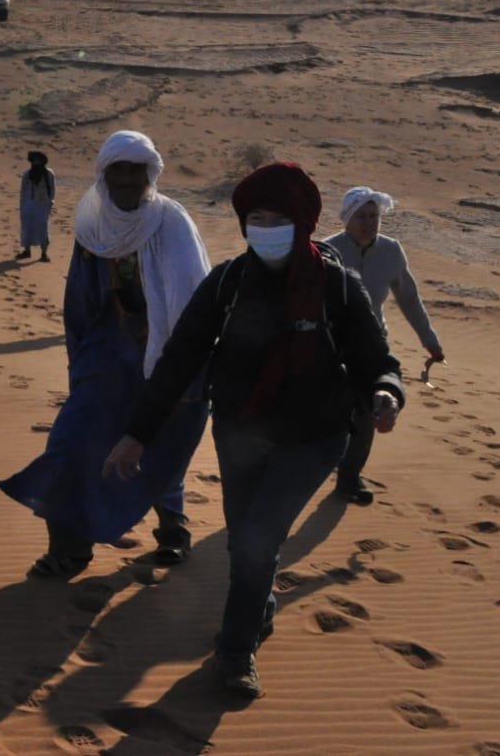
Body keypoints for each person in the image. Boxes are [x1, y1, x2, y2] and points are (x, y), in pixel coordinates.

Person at [103, 162, 404, 699]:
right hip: (239, 432)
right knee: (246, 539)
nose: (265, 228)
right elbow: (179, 360)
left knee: (257, 539)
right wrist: (138, 433)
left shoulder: (336, 284)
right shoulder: (228, 283)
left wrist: (386, 391)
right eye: (256, 218)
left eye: (278, 218)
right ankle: (258, 605)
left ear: (303, 222)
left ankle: (235, 652)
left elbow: (375, 358)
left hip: (314, 438)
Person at [0, 131, 212, 579]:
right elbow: (80, 300)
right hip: (106, 357)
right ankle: (69, 549)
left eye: (137, 170)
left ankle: (172, 527)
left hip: (168, 358)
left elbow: (193, 300)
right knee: (70, 443)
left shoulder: (172, 222)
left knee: (162, 443)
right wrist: (80, 362)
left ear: (150, 173)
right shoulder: (92, 225)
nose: (128, 179)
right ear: (104, 174)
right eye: (119, 170)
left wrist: (188, 371)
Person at [323, 186, 444, 505]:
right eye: (361, 216)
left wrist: (429, 340)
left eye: (374, 216)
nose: (369, 223)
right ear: (346, 219)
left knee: (367, 413)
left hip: (371, 347)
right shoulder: (327, 251)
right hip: (329, 345)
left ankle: (349, 478)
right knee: (326, 411)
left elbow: (409, 298)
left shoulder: (391, 251)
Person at [17, 151, 57, 261]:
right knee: (27, 228)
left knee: (43, 229)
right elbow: (23, 190)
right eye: (34, 160)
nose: (36, 162)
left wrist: (50, 203)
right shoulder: (27, 174)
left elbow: (52, 189)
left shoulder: (49, 174)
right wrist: (22, 205)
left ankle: (44, 254)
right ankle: (27, 251)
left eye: (38, 160)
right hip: (28, 204)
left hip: (43, 205)